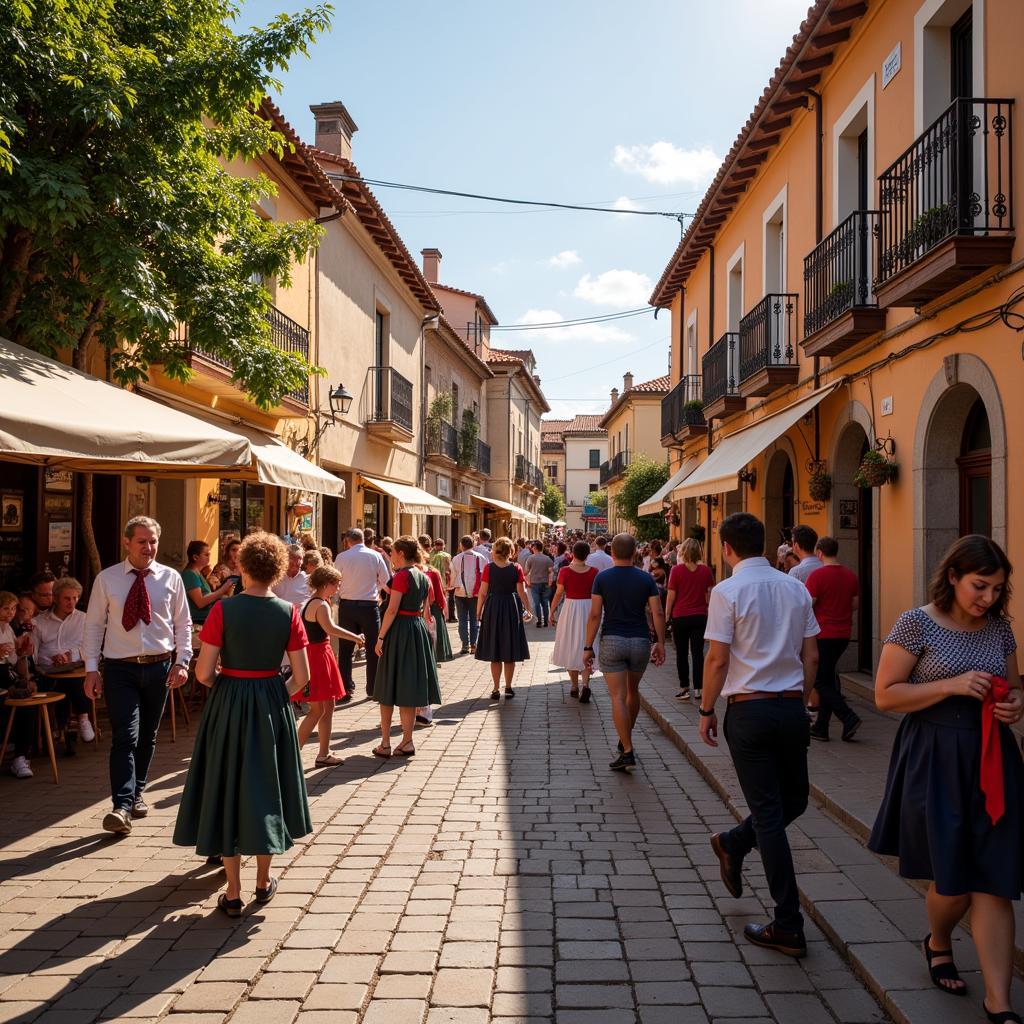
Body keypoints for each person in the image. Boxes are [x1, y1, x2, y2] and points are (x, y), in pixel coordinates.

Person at [868, 536, 1023, 1018]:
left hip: (994, 757)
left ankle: (998, 1001)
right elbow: (885, 696)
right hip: (934, 754)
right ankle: (937, 941)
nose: (988, 599)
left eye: (998, 589)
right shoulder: (916, 623)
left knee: (995, 879)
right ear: (953, 576)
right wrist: (950, 685)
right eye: (980, 586)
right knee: (952, 882)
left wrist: (1015, 706)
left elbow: (1015, 687)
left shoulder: (1000, 630)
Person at [173, 531, 313, 916]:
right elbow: (301, 677)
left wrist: (228, 688)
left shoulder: (224, 610)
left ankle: (232, 891)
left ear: (243, 566)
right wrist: (273, 695)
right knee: (267, 784)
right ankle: (263, 881)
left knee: (229, 785)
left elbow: (203, 673)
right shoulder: (289, 612)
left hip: (230, 701)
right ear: (278, 569)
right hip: (271, 699)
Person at [700, 512, 819, 958]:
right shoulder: (796, 587)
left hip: (749, 710)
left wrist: (707, 708)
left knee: (776, 810)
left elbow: (716, 659)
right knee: (792, 800)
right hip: (790, 706)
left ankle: (786, 922)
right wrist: (801, 697)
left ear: (727, 548)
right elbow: (812, 656)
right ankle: (736, 847)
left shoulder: (727, 591)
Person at [83, 516, 193, 836]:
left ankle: (137, 792)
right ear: (126, 542)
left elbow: (183, 625)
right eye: (142, 541)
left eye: (153, 541)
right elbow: (93, 626)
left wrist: (182, 661)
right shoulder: (108, 579)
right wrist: (92, 669)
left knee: (147, 736)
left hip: (159, 667)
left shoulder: (170, 578)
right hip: (120, 668)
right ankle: (120, 805)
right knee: (125, 736)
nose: (149, 547)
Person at [584, 533, 665, 771]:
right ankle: (625, 738)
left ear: (612, 553)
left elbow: (596, 614)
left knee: (617, 697)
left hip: (612, 640)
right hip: (640, 640)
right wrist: (659, 642)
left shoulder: (602, 578)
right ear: (634, 554)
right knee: (633, 691)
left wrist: (588, 647)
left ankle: (627, 750)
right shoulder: (645, 579)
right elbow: (657, 612)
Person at [371, 536, 441, 758]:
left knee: (388, 686)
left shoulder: (402, 576)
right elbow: (425, 607)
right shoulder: (423, 575)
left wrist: (380, 637)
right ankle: (407, 741)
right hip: (416, 628)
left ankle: (385, 743)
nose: (390, 556)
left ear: (401, 553)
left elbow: (391, 610)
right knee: (408, 687)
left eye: (392, 552)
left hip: (400, 630)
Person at [295, 565, 365, 766]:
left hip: (317, 654)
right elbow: (330, 628)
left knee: (328, 706)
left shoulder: (313, 602)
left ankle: (323, 753)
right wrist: (356, 637)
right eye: (337, 583)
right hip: (317, 656)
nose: (339, 587)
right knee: (317, 709)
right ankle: (294, 752)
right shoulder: (321, 605)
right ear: (327, 584)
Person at [805, 537, 862, 742]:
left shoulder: (817, 575)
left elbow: (810, 603)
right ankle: (821, 728)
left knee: (819, 680)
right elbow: (854, 604)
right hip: (843, 634)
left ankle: (848, 716)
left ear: (819, 553)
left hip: (823, 634)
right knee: (828, 678)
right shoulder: (850, 575)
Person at [334, 528, 391, 699]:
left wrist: (337, 598)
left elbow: (336, 580)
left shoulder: (342, 557)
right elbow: (386, 581)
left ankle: (346, 688)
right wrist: (376, 589)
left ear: (348, 541)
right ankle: (373, 688)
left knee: (345, 649)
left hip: (347, 607)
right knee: (373, 648)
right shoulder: (375, 556)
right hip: (369, 606)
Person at [33, 576, 90, 741]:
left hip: (75, 668)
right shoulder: (39, 622)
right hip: (48, 671)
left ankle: (82, 719)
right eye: (67, 598)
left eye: (74, 598)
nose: (71, 602)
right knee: (63, 681)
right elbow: (34, 653)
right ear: (56, 598)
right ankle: (68, 722)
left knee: (74, 678)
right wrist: (52, 657)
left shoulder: (84, 619)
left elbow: (90, 647)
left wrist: (69, 655)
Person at [475, 536, 531, 699]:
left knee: (495, 649)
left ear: (495, 551)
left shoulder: (489, 568)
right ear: (510, 552)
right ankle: (508, 687)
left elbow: (483, 592)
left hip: (493, 607)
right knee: (509, 649)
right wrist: (528, 608)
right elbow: (521, 592)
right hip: (511, 607)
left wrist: (478, 611)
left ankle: (495, 688)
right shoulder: (516, 568)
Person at [666, 538, 715, 702]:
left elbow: (671, 596)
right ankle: (699, 689)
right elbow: (710, 595)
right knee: (697, 653)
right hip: (700, 616)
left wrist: (667, 615)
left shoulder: (676, 571)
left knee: (681, 653)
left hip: (680, 616)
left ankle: (684, 687)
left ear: (683, 552)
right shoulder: (706, 571)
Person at [550, 541, 599, 702]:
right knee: (587, 645)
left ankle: (574, 686)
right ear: (587, 554)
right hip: (589, 608)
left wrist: (551, 611)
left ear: (572, 553)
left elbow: (558, 593)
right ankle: (585, 684)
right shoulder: (594, 572)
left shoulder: (565, 571)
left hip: (570, 609)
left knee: (570, 645)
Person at [0, 590, 36, 779]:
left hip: (8, 676)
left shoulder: (8, 629)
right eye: (6, 608)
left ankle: (21, 757)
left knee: (28, 707)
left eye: (13, 609)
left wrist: (23, 653)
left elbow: (15, 663)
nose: (10, 613)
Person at [181, 541, 234, 627]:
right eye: (206, 555)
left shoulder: (198, 573)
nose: (209, 557)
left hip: (206, 618)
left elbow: (207, 595)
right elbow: (200, 602)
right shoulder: (190, 574)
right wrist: (221, 591)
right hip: (198, 621)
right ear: (195, 557)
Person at [450, 536, 487, 655]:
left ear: (461, 545)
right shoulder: (481, 558)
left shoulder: (456, 558)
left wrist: (451, 587)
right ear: (473, 544)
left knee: (462, 620)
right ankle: (473, 644)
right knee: (474, 619)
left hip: (460, 593)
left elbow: (453, 575)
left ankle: (465, 645)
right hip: (476, 593)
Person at [419, 535, 453, 665]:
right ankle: (438, 653)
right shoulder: (433, 572)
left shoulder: (414, 572)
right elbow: (438, 593)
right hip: (433, 606)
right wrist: (443, 606)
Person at [525, 541, 555, 628]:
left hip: (534, 583)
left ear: (534, 548)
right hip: (545, 583)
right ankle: (545, 621)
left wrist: (527, 581)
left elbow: (526, 572)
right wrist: (550, 582)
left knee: (536, 603)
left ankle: (538, 620)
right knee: (545, 603)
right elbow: (551, 572)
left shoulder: (530, 558)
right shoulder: (547, 559)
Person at [429, 539, 454, 622]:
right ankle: (443, 616)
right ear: (443, 546)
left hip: (432, 580)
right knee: (443, 598)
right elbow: (448, 571)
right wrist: (450, 582)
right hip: (443, 581)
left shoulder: (430, 555)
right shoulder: (446, 556)